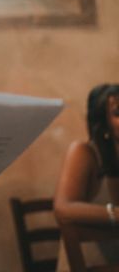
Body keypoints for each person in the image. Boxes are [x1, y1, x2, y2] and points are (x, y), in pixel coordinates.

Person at [54, 83, 119, 270]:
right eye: (118, 113)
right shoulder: (84, 152)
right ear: (103, 121)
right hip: (87, 262)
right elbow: (63, 209)